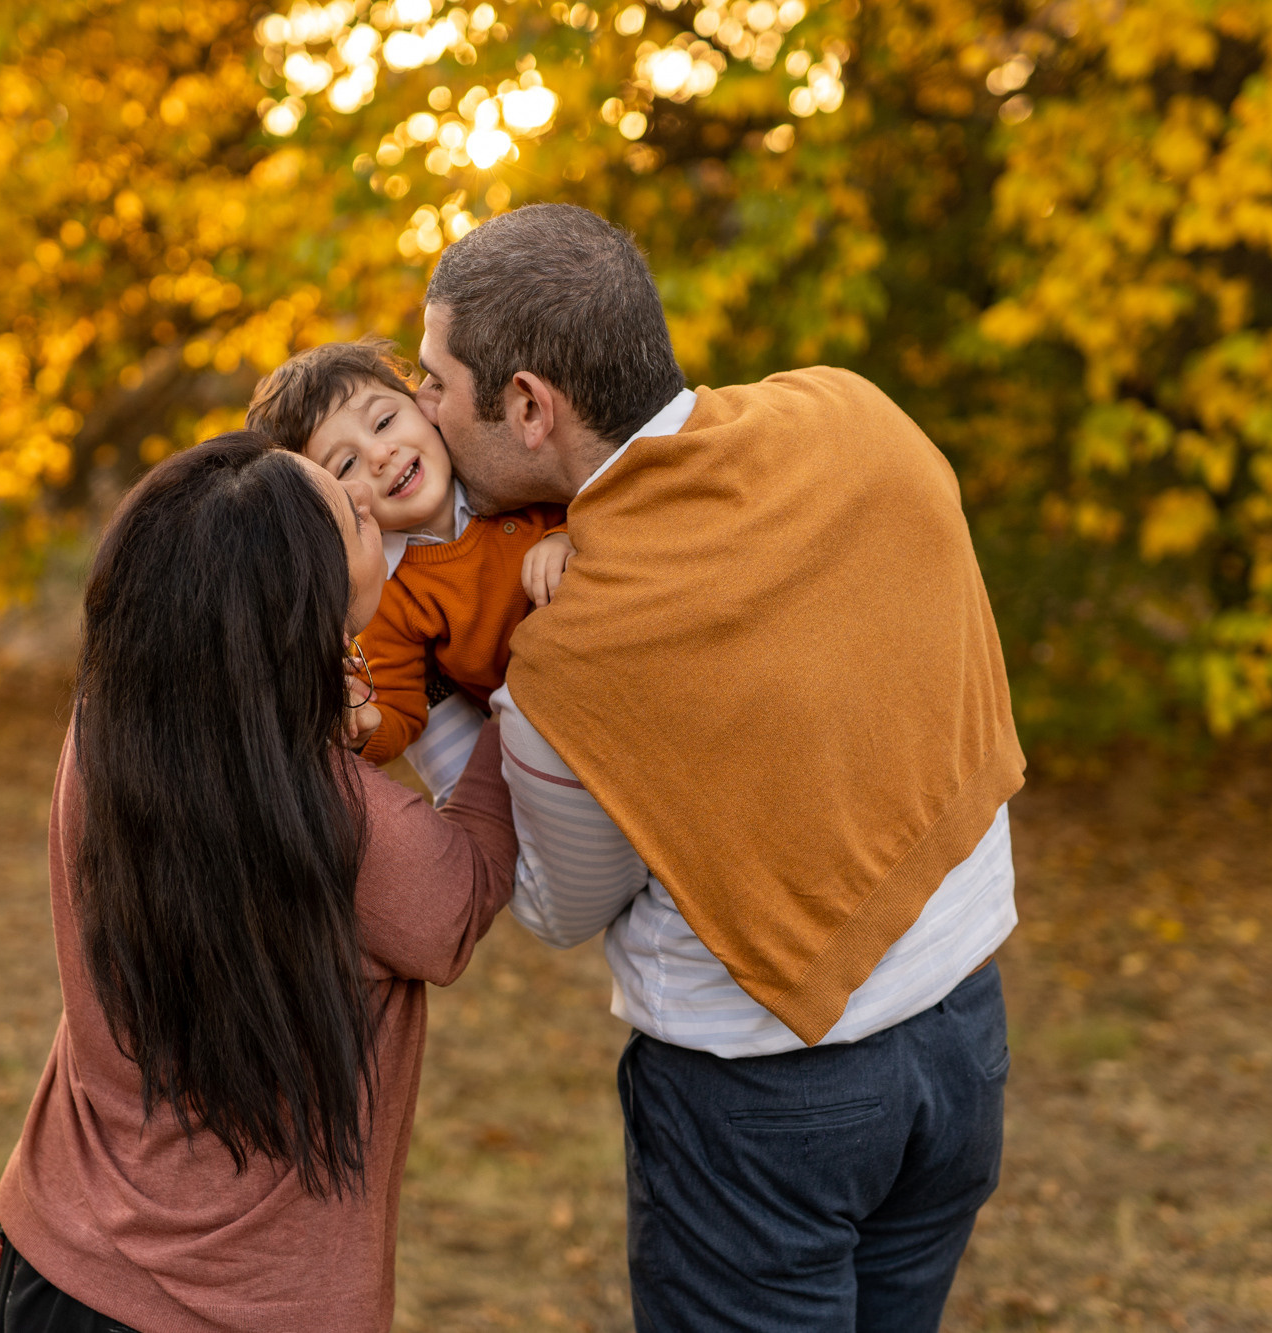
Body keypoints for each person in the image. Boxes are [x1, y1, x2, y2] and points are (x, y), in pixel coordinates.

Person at [415, 203, 1026, 1331]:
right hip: (966, 1034)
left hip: (759, 1109)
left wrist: (424, 703)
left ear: (526, 405)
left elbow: (555, 904)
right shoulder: (852, 415)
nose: (421, 411)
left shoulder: (577, 653)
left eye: (434, 382)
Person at [0, 432, 518, 1333]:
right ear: (303, 614)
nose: (367, 498)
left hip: (51, 1260)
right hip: (241, 1306)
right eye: (352, 519)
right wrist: (516, 691)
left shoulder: (109, 729)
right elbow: (455, 900)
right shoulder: (340, 822)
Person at [246, 337, 571, 793]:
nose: (381, 456)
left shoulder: (503, 464)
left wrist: (568, 535)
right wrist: (365, 724)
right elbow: (403, 709)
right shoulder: (389, 591)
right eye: (346, 465)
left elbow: (600, 486)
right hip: (554, 736)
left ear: (424, 402)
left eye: (384, 421)